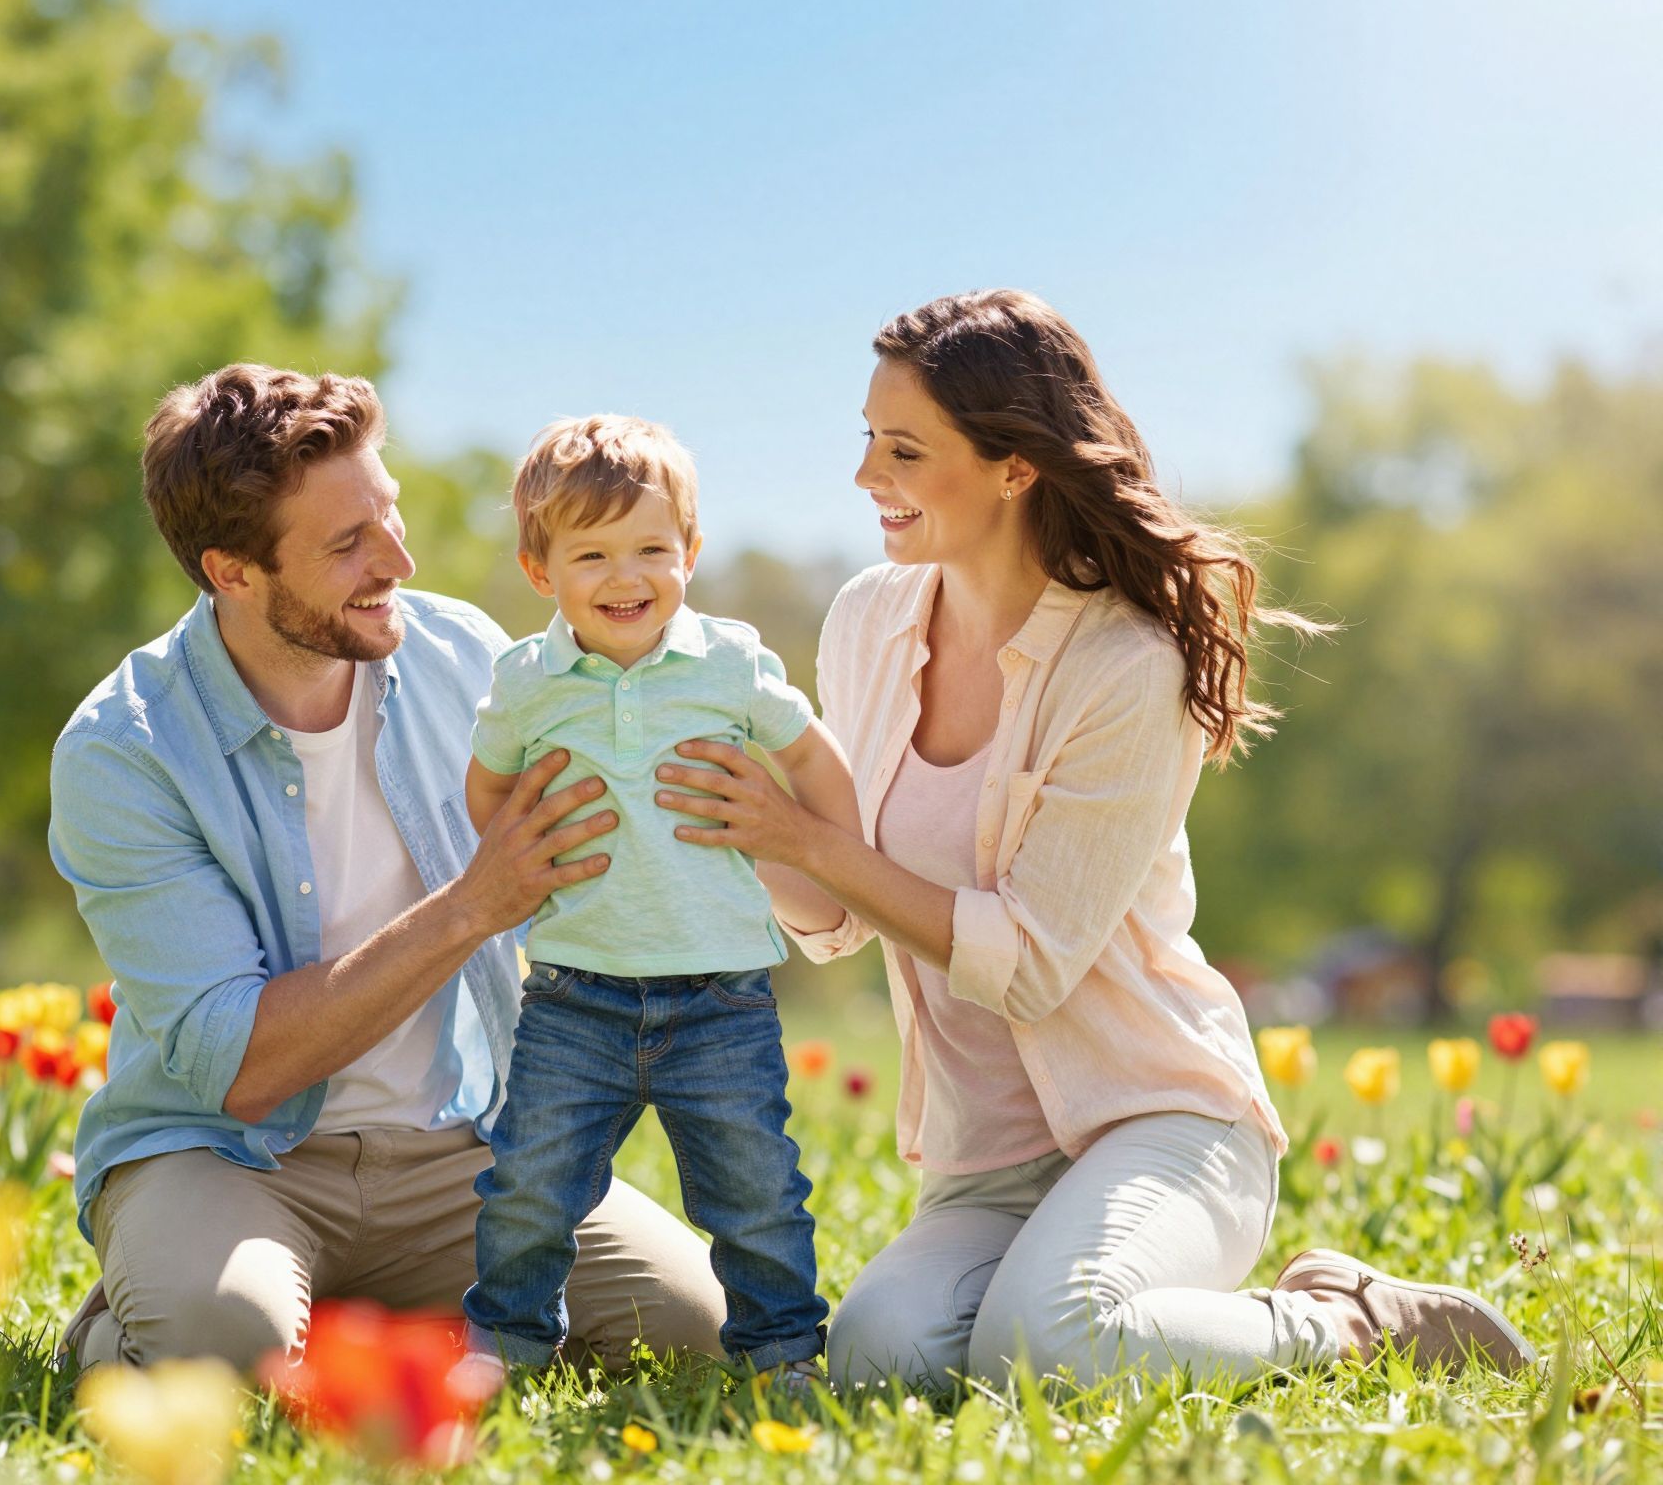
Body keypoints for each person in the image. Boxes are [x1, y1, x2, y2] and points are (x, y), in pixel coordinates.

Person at [651, 290, 1536, 1389]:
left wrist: (806, 839)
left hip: (1158, 1120)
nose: (864, 475)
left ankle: (1347, 1318)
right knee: (878, 1357)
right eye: (865, 439)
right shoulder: (865, 624)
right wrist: (729, 821)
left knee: (1051, 1343)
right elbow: (832, 922)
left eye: (903, 449)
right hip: (986, 1163)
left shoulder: (1125, 666)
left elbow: (1025, 964)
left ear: (1013, 466)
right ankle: (1077, 1291)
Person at [48, 365, 727, 1373]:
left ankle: (362, 1327)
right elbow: (241, 1069)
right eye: (347, 543)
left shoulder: (463, 656)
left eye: (389, 515)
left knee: (691, 1332)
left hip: (456, 1158)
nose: (399, 560)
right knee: (223, 1343)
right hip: (230, 1159)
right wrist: (470, 908)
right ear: (231, 571)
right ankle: (138, 1325)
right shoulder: (126, 749)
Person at [458, 416, 859, 1386]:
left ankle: (782, 1356)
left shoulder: (727, 662)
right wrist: (520, 845)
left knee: (753, 1189)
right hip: (573, 994)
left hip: (716, 997)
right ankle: (506, 1353)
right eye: (590, 554)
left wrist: (836, 853)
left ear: (690, 552)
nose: (624, 575)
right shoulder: (524, 680)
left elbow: (806, 753)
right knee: (529, 1188)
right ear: (539, 570)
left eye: (650, 549)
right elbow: (484, 787)